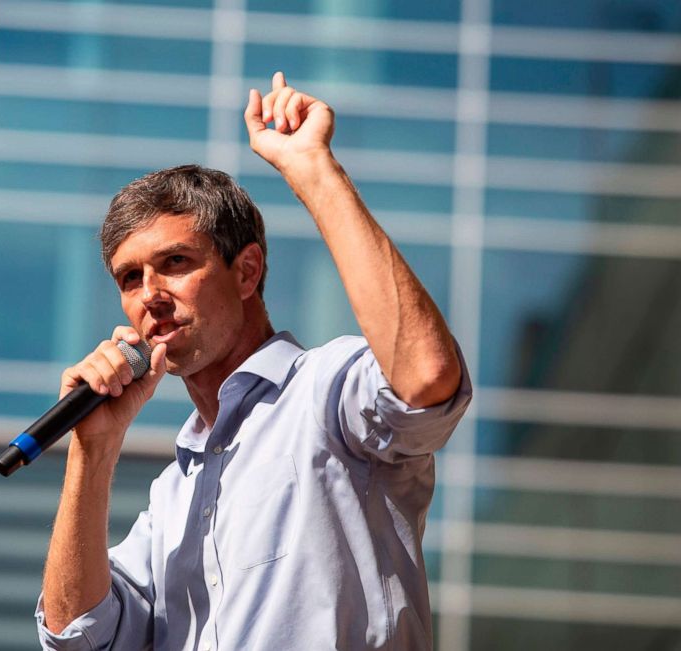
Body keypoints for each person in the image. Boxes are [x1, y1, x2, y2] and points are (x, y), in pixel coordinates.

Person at [34, 72, 472, 650]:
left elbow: (425, 378)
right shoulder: (172, 496)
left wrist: (314, 169)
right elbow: (75, 637)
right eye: (130, 277)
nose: (150, 294)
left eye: (174, 262)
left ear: (246, 271)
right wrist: (91, 451)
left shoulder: (325, 391)